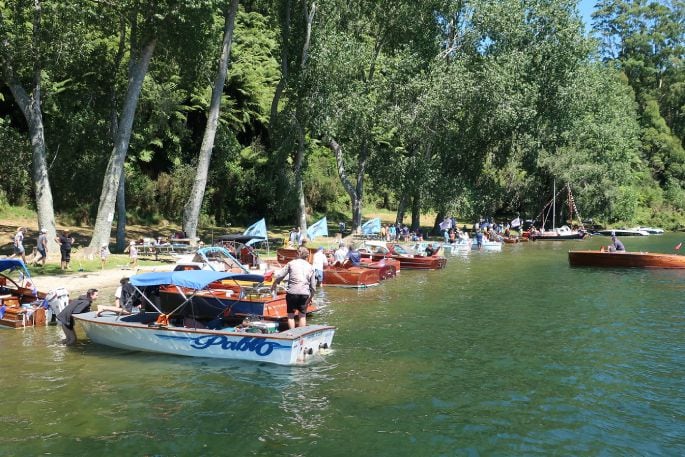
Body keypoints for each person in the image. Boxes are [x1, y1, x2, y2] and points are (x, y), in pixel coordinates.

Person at [271, 247, 316, 329]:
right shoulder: (311, 267)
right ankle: (301, 334)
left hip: (292, 292)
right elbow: (313, 287)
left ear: (297, 254)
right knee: (302, 316)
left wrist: (274, 284)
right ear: (307, 256)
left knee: (291, 316)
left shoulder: (291, 263)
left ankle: (293, 333)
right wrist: (311, 297)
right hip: (305, 293)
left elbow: (280, 276)